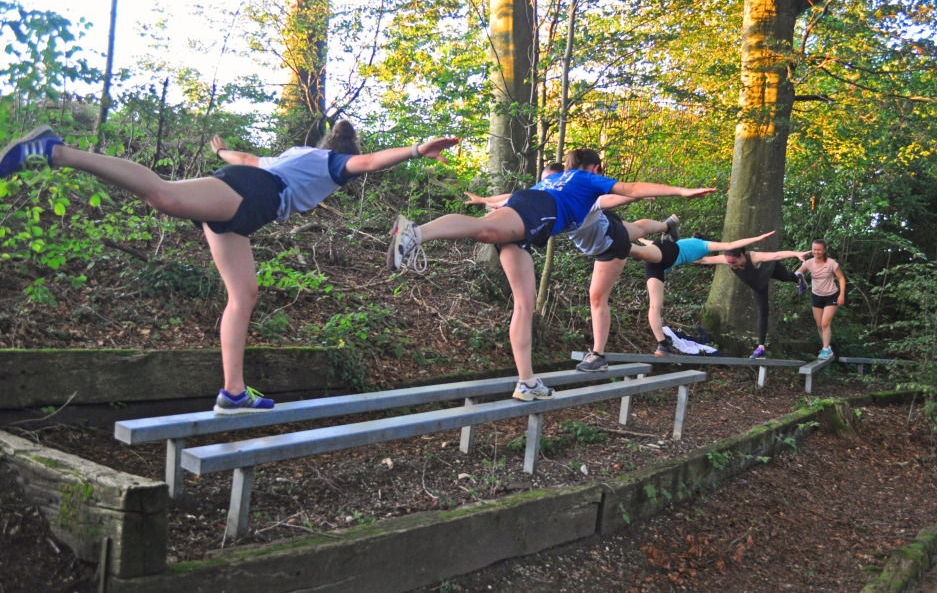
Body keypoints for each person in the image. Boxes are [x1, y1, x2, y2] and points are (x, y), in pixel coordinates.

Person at [0, 124, 459, 414]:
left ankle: (233, 392)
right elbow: (371, 162)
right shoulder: (336, 164)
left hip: (245, 201)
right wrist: (418, 149)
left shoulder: (296, 154)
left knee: (243, 295)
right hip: (254, 196)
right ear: (344, 155)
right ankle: (57, 151)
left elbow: (245, 160)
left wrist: (221, 152)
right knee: (163, 195)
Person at [387, 147, 715, 401]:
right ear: (594, 168)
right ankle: (416, 233)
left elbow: (508, 199)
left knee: (524, 304)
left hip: (531, 212)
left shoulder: (553, 180)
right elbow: (630, 187)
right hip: (542, 212)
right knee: (485, 230)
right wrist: (680, 190)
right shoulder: (584, 178)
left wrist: (486, 199)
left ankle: (527, 382)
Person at [466, 162, 680, 373]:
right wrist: (484, 200)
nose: (546, 186)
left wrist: (637, 195)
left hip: (609, 244)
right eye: (544, 182)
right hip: (607, 227)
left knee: (597, 297)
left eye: (550, 181)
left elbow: (612, 197)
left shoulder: (579, 196)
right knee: (636, 229)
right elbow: (510, 197)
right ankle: (667, 225)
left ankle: (598, 355)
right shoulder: (545, 195)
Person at [627, 231, 799, 357]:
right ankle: (662, 346)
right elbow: (728, 246)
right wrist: (757, 238)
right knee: (655, 305)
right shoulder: (703, 245)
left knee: (654, 305)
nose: (731, 265)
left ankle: (662, 345)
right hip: (662, 257)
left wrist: (639, 237)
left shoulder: (690, 246)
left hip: (656, 258)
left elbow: (654, 244)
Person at [692, 242, 809, 359]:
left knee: (786, 277)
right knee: (763, 311)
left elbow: (777, 255)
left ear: (741, 256)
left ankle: (799, 279)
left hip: (770, 268)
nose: (731, 265)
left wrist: (796, 254)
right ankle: (761, 348)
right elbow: (704, 260)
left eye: (734, 262)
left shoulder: (754, 257)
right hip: (758, 283)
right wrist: (683, 257)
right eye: (729, 263)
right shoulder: (728, 259)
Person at [796, 239, 846, 359]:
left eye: (819, 250)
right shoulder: (809, 263)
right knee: (819, 325)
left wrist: (841, 295)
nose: (816, 252)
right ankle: (827, 348)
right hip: (816, 296)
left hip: (831, 295)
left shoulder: (831, 263)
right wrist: (799, 279)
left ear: (824, 251)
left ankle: (824, 349)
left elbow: (841, 278)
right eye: (814, 249)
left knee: (825, 323)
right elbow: (798, 273)